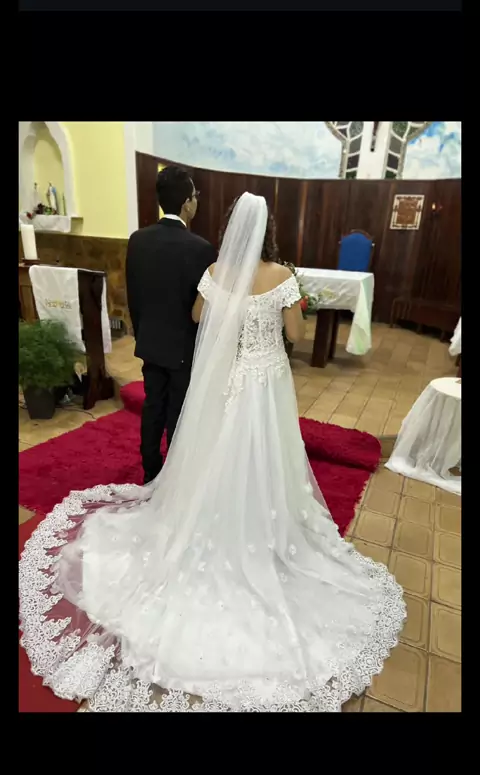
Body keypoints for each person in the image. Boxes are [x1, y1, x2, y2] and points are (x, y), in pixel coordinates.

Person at [19, 193, 406, 713]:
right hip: (266, 381)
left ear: (231, 229)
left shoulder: (215, 272)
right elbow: (295, 333)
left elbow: (200, 316)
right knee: (266, 452)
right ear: (269, 231)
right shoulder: (282, 277)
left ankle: (210, 514)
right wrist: (281, 313)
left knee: (217, 449)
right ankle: (263, 526)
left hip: (227, 379)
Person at [126, 165, 217, 484]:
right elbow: (204, 308)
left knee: (153, 405)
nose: (196, 201)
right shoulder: (201, 249)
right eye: (195, 196)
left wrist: (143, 333)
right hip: (183, 347)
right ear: (187, 202)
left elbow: (134, 295)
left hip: (150, 341)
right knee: (178, 411)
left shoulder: (137, 240)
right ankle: (176, 478)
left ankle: (151, 469)